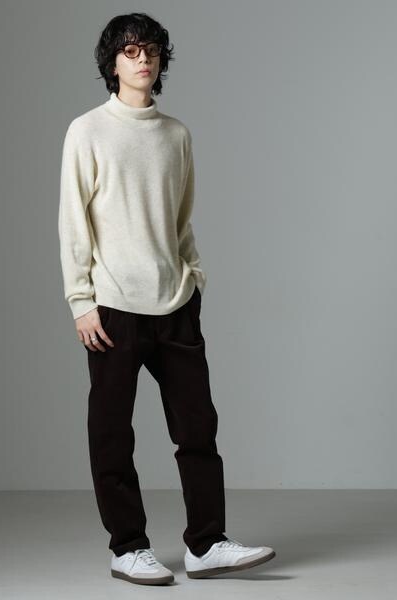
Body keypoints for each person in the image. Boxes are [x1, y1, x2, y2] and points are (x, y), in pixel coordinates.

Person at [58, 12, 275, 586]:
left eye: (151, 50)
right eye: (130, 51)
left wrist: (193, 276)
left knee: (198, 429)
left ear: (161, 60)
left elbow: (181, 220)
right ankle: (128, 546)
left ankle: (207, 544)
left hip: (175, 302)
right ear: (112, 63)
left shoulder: (176, 134)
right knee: (112, 434)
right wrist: (81, 300)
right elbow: (73, 221)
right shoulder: (87, 131)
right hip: (113, 308)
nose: (143, 59)